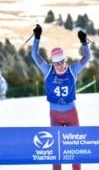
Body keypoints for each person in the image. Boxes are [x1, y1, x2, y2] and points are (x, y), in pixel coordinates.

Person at [31, 24, 91, 170]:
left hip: (71, 114)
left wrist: (84, 42)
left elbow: (86, 57)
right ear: (53, 63)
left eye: (62, 62)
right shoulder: (47, 70)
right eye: (56, 63)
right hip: (55, 115)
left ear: (65, 60)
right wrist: (37, 38)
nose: (59, 66)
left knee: (74, 146)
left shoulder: (73, 70)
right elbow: (35, 55)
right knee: (56, 148)